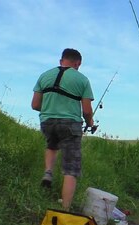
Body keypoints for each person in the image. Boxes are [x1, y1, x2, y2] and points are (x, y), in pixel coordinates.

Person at [31, 48, 94, 211]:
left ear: (61, 61)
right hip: (70, 124)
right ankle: (65, 209)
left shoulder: (44, 75)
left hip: (47, 122)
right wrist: (91, 123)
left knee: (52, 145)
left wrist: (51, 109)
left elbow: (35, 105)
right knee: (71, 168)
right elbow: (87, 110)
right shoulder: (82, 80)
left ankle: (48, 171)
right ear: (78, 63)